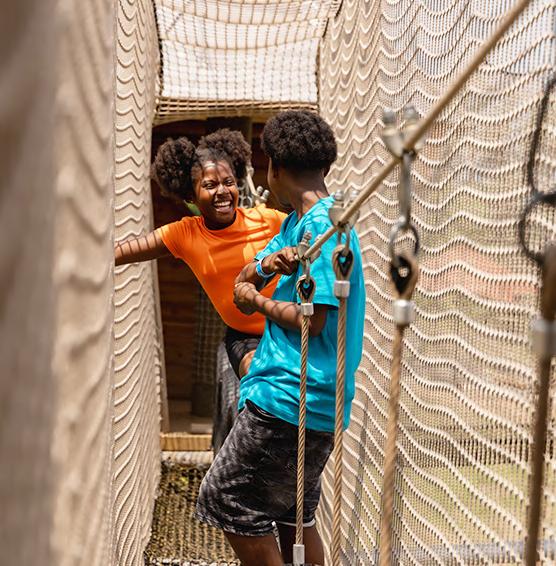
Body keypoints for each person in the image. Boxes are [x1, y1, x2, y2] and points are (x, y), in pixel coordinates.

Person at [195, 110, 365, 566]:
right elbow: (244, 279)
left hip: (289, 400)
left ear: (274, 167)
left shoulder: (323, 228)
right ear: (324, 165)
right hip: (314, 405)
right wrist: (266, 266)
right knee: (293, 516)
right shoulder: (296, 226)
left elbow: (314, 320)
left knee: (225, 498)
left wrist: (259, 302)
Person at [115, 129, 287, 378]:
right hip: (246, 337)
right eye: (210, 185)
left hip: (288, 326)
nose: (222, 191)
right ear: (191, 195)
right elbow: (124, 251)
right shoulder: (184, 234)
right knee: (257, 374)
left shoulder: (267, 220)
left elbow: (311, 235)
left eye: (229, 182)